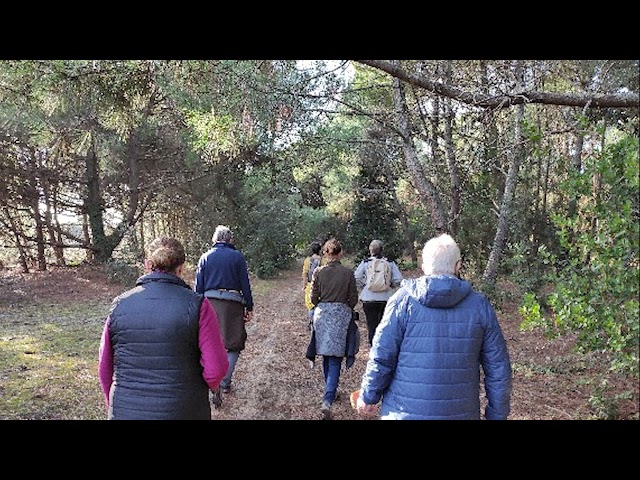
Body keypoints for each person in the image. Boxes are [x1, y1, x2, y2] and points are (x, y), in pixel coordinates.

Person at [355, 233, 512, 420]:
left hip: (402, 413)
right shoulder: (479, 306)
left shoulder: (402, 301)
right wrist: (497, 414)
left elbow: (382, 354)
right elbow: (498, 368)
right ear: (458, 265)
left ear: (424, 266)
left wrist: (368, 395)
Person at [98, 236, 229, 420]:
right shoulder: (199, 305)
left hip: (125, 410)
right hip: (184, 410)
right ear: (181, 268)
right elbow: (216, 369)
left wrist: (113, 405)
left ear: (147, 264)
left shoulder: (119, 305)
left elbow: (104, 368)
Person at [194, 225, 254, 402]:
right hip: (232, 302)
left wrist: (197, 306)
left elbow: (199, 286)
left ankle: (211, 381)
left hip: (209, 302)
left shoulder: (205, 257)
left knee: (208, 342)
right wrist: (249, 306)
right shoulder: (237, 257)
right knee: (234, 342)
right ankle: (224, 381)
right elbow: (245, 284)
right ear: (230, 239)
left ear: (214, 239)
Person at [309, 237, 359, 420]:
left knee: (325, 354)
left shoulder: (318, 272)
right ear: (340, 253)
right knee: (336, 358)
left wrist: (323, 303)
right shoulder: (347, 273)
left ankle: (330, 390)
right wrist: (344, 305)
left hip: (322, 315)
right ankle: (328, 399)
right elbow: (353, 298)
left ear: (325, 253)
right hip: (340, 315)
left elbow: (313, 298)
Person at [353, 239, 403, 345]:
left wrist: (365, 285)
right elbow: (398, 279)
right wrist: (390, 285)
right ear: (381, 249)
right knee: (384, 324)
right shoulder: (389, 263)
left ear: (371, 250)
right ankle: (383, 346)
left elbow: (356, 277)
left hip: (369, 298)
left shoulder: (366, 263)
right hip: (386, 298)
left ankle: (373, 347)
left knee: (371, 325)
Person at [301, 241, 323, 326]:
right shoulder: (323, 260)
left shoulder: (307, 260)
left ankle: (311, 321)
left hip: (311, 284)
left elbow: (305, 274)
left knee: (310, 305)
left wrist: (304, 285)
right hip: (321, 285)